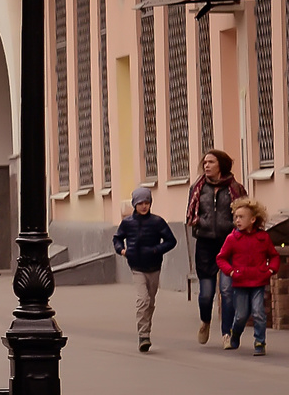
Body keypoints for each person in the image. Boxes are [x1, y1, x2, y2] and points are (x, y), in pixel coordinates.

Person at [187, 149, 246, 345]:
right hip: (205, 243)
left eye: (211, 162)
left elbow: (244, 212)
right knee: (206, 293)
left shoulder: (235, 188)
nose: (206, 166)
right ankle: (205, 321)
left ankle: (226, 334)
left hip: (229, 242)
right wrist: (199, 224)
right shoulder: (197, 188)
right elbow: (191, 213)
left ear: (221, 164)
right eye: (205, 162)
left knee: (227, 291)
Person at [112, 186, 179, 352]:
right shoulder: (127, 223)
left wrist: (156, 249)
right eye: (140, 203)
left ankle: (146, 329)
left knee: (150, 302)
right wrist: (122, 250)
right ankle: (143, 336)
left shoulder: (157, 222)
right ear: (135, 204)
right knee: (143, 300)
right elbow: (117, 238)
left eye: (147, 202)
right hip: (136, 266)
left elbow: (171, 241)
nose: (144, 206)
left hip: (154, 266)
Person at [216, 196, 279, 355]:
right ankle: (235, 333)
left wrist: (271, 270)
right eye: (235, 217)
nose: (237, 220)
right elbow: (221, 258)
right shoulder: (232, 239)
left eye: (241, 217)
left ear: (252, 219)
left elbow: (274, 256)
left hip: (258, 281)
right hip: (240, 282)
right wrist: (230, 272)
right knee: (241, 315)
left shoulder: (263, 238)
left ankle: (260, 342)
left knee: (258, 312)